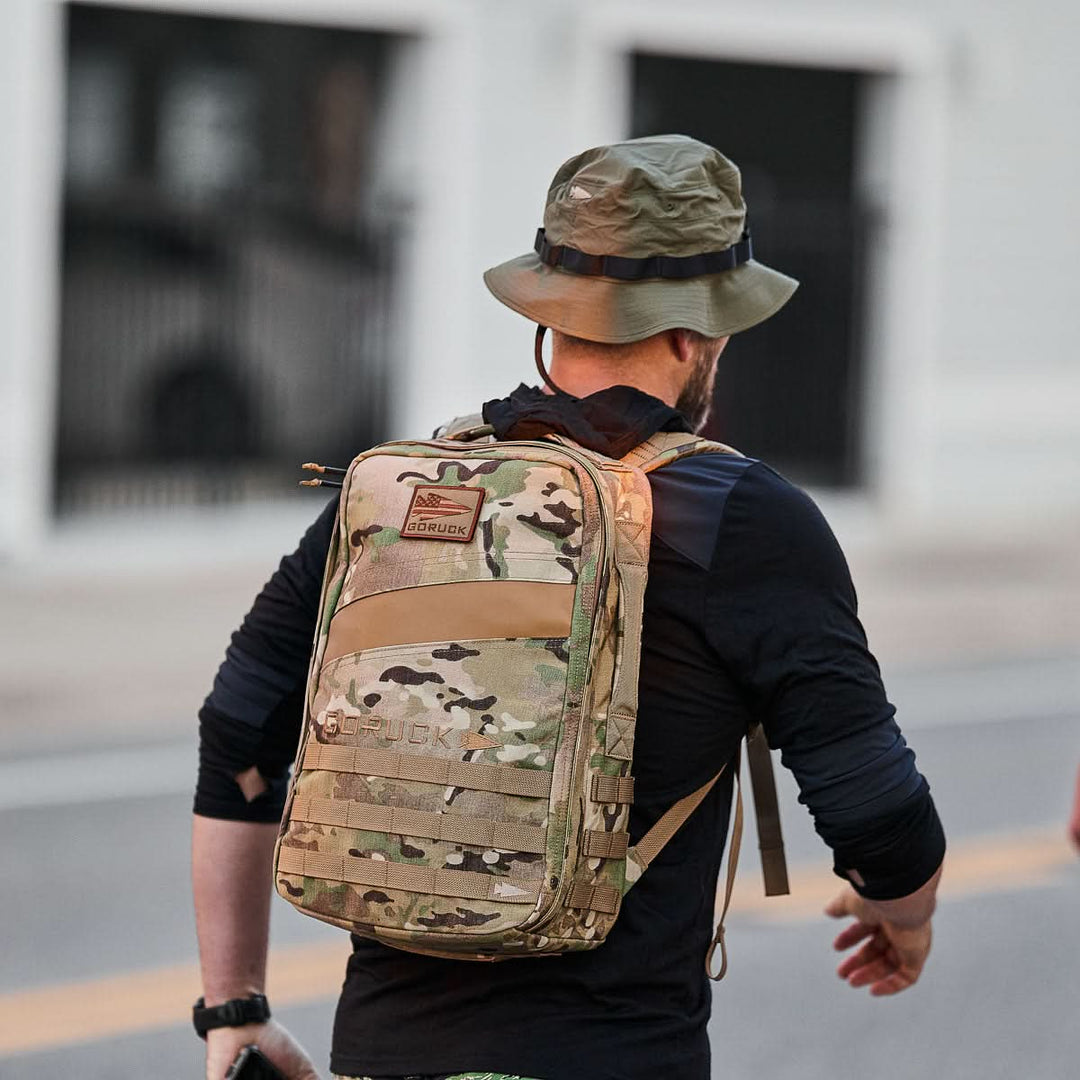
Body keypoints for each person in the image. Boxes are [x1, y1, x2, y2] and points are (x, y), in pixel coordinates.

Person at [192, 134, 946, 1080]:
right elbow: (879, 815)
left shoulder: (401, 494)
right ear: (693, 335)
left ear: (550, 319)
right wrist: (901, 917)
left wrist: (237, 1009)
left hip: (384, 1054)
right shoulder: (742, 520)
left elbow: (238, 731)